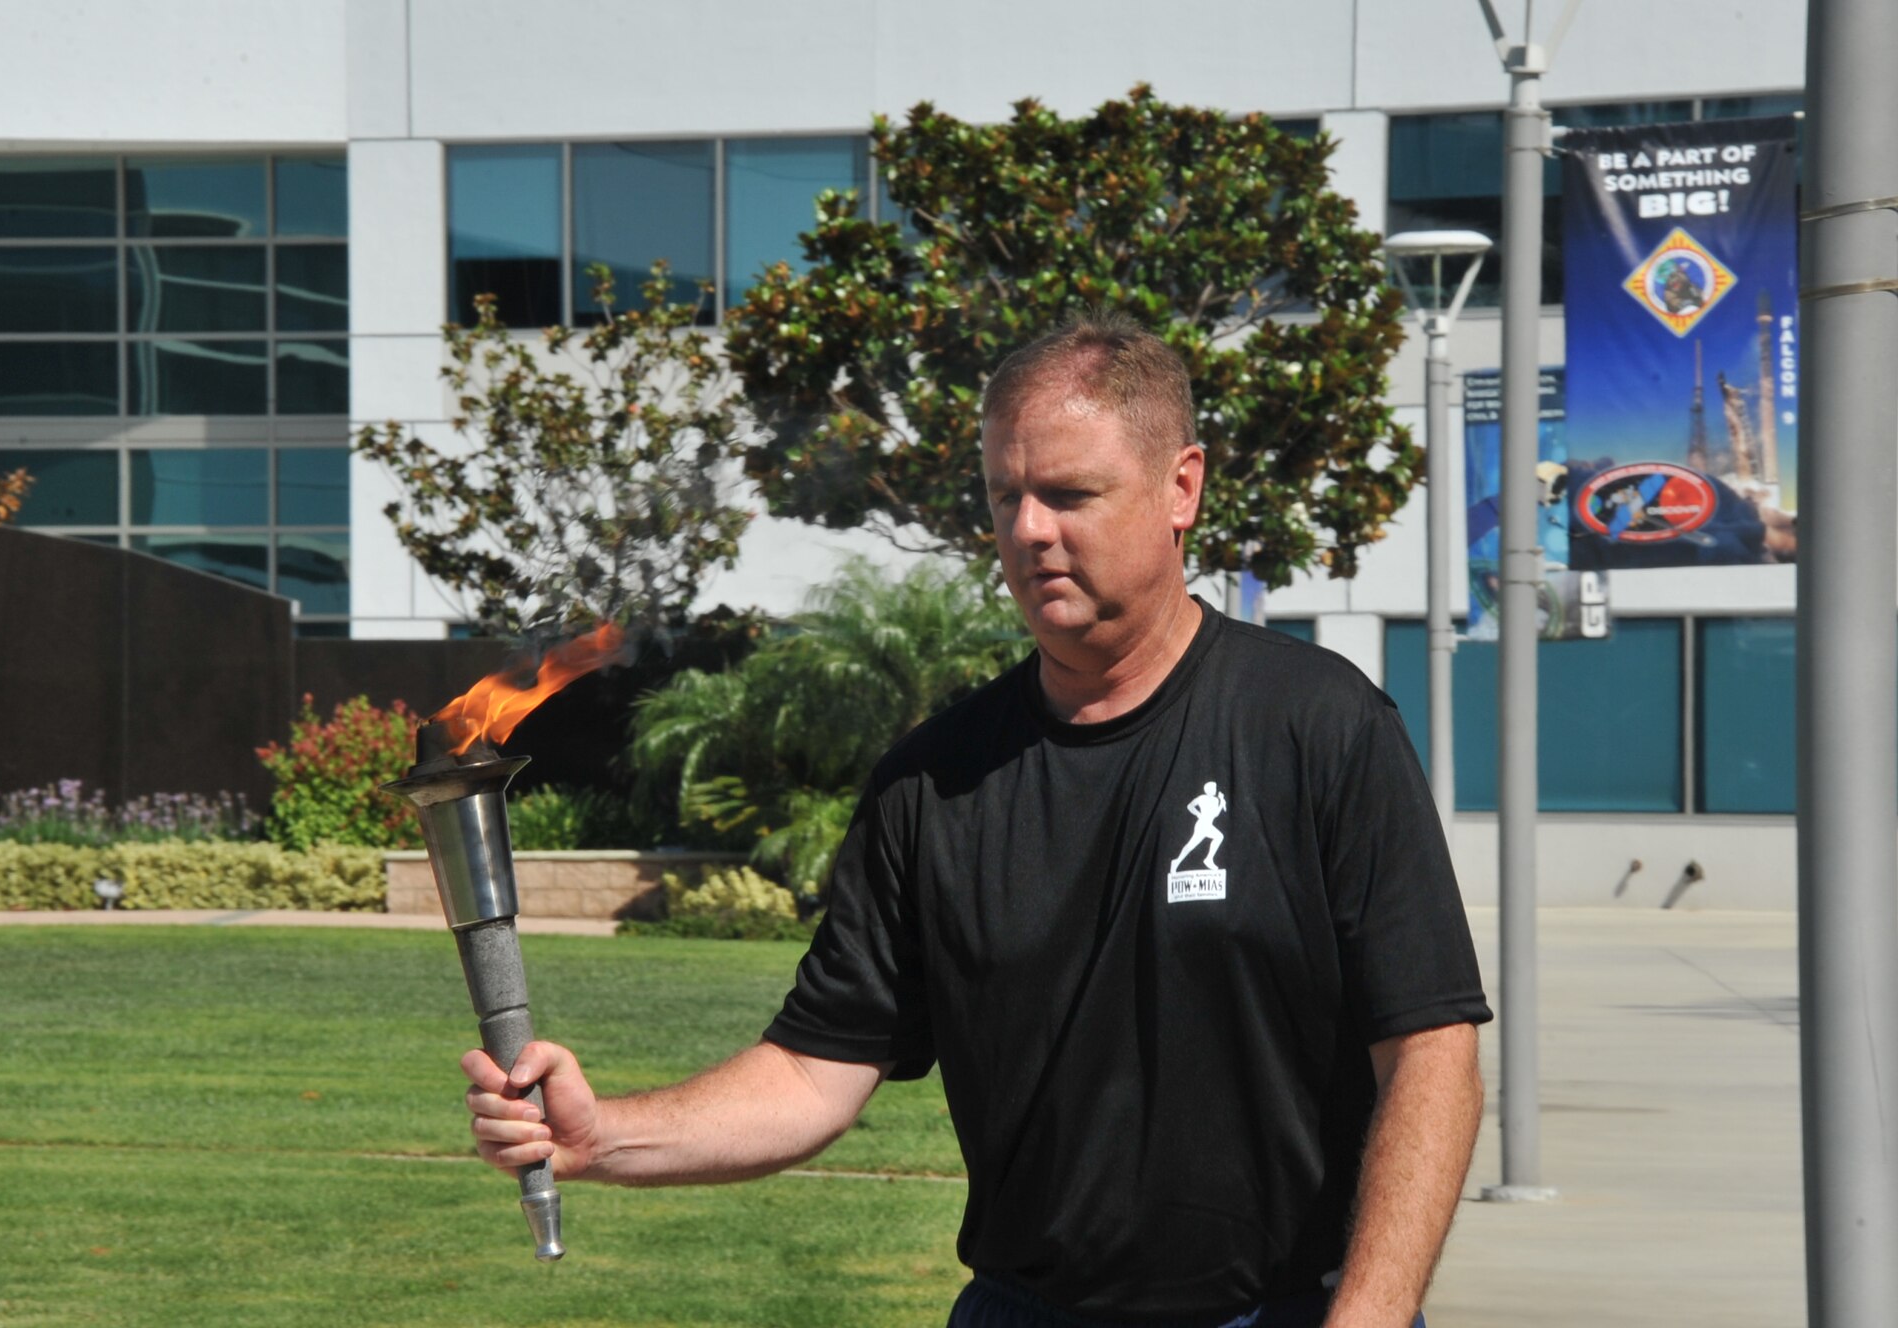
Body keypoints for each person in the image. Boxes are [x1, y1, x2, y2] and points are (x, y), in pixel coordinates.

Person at [464, 313, 1493, 1328]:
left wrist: (1367, 1312)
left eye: (1069, 494)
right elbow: (811, 1071)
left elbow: (1430, 1055)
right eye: (1007, 496)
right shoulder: (932, 781)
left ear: (1181, 487)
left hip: (1274, 1310)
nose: (1030, 529)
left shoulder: (1318, 727)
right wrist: (604, 1135)